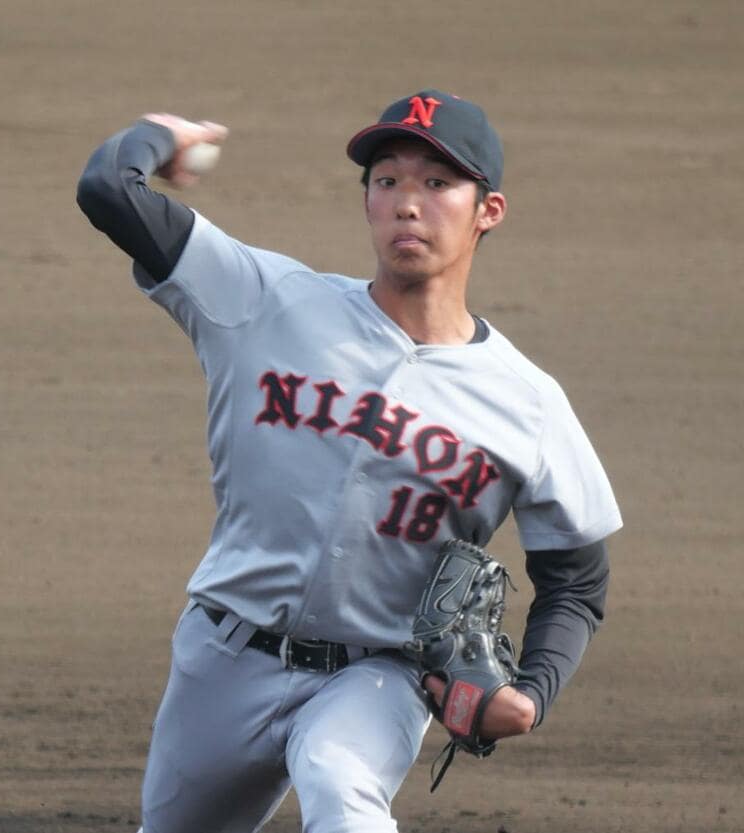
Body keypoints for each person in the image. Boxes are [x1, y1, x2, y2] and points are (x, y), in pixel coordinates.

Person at [77, 89, 622, 833]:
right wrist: (156, 134)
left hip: (380, 674)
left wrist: (532, 690)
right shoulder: (267, 300)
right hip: (224, 653)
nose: (407, 203)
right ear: (366, 200)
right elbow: (110, 189)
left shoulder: (528, 402)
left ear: (487, 210)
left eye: (437, 183)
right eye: (387, 179)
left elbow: (577, 577)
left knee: (343, 790)